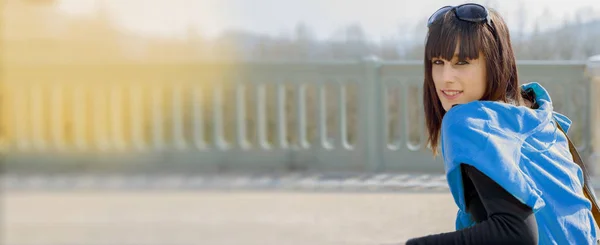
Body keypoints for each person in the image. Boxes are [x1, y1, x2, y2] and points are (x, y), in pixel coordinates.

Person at [405, 3, 598, 245]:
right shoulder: (536, 111)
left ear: (495, 61)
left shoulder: (468, 122)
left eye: (462, 63)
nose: (445, 78)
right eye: (437, 62)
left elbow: (516, 234)